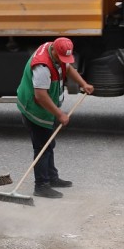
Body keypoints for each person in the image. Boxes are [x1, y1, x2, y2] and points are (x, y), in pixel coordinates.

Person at [15, 37, 94, 199]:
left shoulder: (54, 50)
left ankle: (52, 177)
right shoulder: (42, 66)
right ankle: (41, 185)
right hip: (34, 108)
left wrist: (83, 83)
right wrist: (60, 114)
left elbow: (68, 67)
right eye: (61, 58)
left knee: (48, 143)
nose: (63, 61)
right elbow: (41, 96)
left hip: (44, 107)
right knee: (42, 147)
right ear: (54, 52)